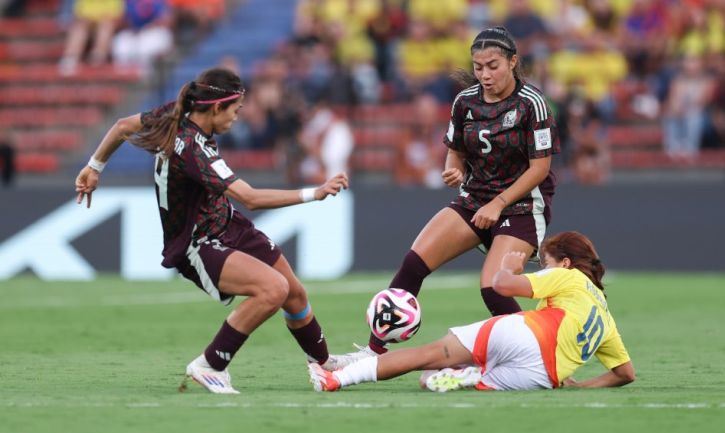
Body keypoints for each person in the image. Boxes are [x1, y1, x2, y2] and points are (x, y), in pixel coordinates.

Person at [74, 68, 349, 394]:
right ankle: (211, 364)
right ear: (217, 107)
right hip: (198, 243)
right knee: (273, 290)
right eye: (236, 110)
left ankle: (322, 363)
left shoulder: (175, 115)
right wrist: (313, 193)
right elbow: (251, 197)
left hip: (227, 224)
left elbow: (122, 126)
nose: (237, 118)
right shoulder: (193, 149)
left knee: (293, 292)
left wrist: (94, 166)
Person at [329, 26, 560, 365]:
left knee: (494, 287)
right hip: (474, 199)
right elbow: (455, 149)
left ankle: (535, 358)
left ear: (513, 62)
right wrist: (453, 168)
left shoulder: (532, 104)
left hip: (522, 206)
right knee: (413, 264)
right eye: (478, 67)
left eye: (493, 66)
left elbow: (539, 169)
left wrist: (498, 205)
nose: (484, 74)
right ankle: (371, 353)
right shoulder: (465, 101)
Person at [309, 231, 635, 392]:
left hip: (524, 333)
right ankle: (473, 375)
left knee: (427, 355)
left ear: (564, 262)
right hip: (541, 376)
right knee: (428, 381)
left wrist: (511, 265)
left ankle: (336, 379)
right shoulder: (605, 317)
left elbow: (502, 286)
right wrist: (582, 386)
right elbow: (625, 374)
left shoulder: (567, 275)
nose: (542, 267)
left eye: (544, 262)